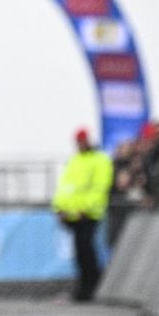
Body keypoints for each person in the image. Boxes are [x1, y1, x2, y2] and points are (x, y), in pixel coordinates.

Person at [52, 127, 113, 301]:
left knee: (87, 252)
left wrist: (85, 209)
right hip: (73, 216)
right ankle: (84, 289)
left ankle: (91, 287)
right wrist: (59, 208)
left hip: (89, 215)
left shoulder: (100, 160)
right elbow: (64, 188)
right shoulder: (75, 161)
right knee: (80, 253)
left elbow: (100, 188)